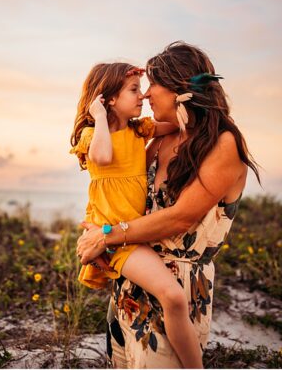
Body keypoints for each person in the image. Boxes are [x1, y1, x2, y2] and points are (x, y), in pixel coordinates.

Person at [76, 43, 259, 369]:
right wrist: (95, 232)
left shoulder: (224, 143)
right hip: (132, 285)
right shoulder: (158, 141)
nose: (145, 96)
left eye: (153, 85)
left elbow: (180, 217)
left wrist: (104, 235)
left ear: (179, 89)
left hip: (179, 292)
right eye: (138, 89)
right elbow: (125, 198)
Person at [70, 63, 203, 368]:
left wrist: (186, 101)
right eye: (133, 90)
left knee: (171, 298)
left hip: (134, 232)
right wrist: (101, 116)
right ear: (109, 99)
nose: (142, 95)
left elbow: (180, 125)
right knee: (173, 296)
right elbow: (103, 156)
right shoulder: (93, 135)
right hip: (116, 238)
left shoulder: (138, 131)